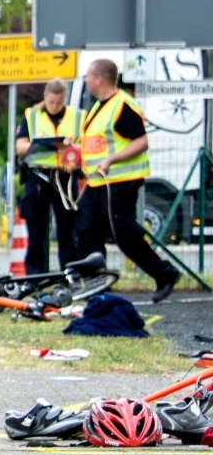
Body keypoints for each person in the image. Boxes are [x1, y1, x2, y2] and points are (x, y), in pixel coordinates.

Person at [73, 58, 181, 303]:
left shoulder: (122, 105)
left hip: (119, 182)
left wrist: (111, 160)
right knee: (86, 231)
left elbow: (141, 142)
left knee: (124, 235)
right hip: (97, 183)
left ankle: (165, 273)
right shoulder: (99, 106)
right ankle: (96, 287)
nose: (87, 81)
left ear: (99, 78)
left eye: (88, 77)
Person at [13, 77, 81, 274]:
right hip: (38, 177)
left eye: (59, 103)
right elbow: (20, 146)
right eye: (51, 102)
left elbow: (85, 144)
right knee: (36, 232)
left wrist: (70, 149)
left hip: (65, 178)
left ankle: (69, 274)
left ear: (65, 98)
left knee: (67, 230)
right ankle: (35, 276)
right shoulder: (31, 115)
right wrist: (41, 144)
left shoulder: (77, 116)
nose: (54, 106)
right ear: (45, 97)